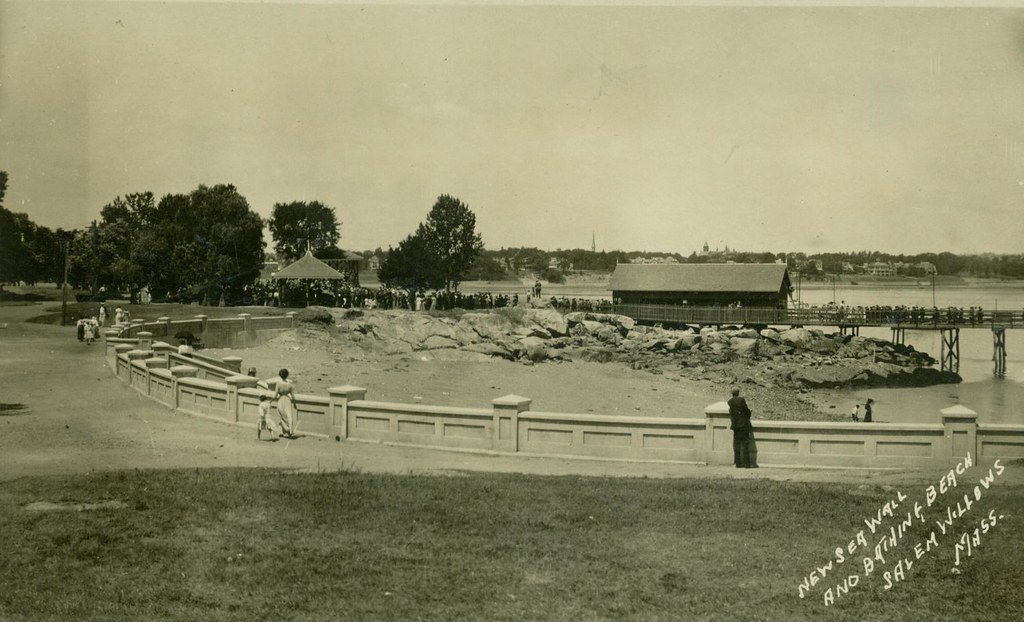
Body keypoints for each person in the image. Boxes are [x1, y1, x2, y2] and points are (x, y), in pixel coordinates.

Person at [727, 387, 754, 468]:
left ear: (732, 393)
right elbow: (746, 410)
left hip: (736, 426)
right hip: (744, 425)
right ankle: (747, 464)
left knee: (737, 445)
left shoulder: (730, 402)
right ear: (738, 393)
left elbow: (731, 413)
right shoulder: (741, 400)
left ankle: (738, 463)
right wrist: (749, 413)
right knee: (745, 444)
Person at [274, 368, 296, 438]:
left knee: (281, 415)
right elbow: (293, 396)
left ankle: (281, 432)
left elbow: (275, 395)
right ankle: (290, 432)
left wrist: (271, 400)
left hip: (280, 399)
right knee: (289, 416)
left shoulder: (278, 384)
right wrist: (295, 404)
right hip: (287, 400)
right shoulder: (290, 385)